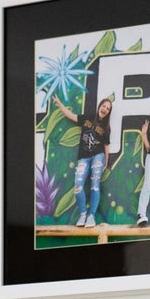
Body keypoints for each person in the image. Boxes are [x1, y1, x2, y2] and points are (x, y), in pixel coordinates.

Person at [52, 92, 115, 227]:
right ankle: (82, 214)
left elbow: (106, 146)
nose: (105, 109)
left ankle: (91, 216)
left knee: (94, 185)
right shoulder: (87, 118)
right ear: (99, 106)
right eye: (104, 106)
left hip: (98, 156)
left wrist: (106, 162)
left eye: (108, 108)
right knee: (78, 185)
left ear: (108, 112)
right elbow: (71, 116)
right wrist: (60, 105)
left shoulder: (106, 128)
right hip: (83, 158)